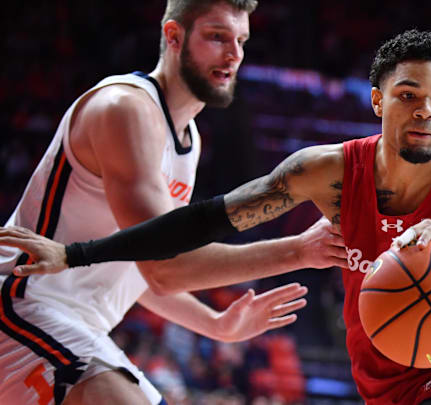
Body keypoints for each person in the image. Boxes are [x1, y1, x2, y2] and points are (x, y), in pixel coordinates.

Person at [0, 30, 431, 404]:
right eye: (409, 94)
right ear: (376, 101)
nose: (425, 111)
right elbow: (201, 222)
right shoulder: (330, 172)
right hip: (381, 376)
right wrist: (76, 253)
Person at [0, 1, 347, 404]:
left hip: (74, 325)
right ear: (173, 37)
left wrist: (216, 325)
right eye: (217, 37)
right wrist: (299, 250)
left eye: (241, 40)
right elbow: (165, 268)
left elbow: (138, 265)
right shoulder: (124, 110)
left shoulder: (188, 141)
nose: (234, 54)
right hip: (22, 305)